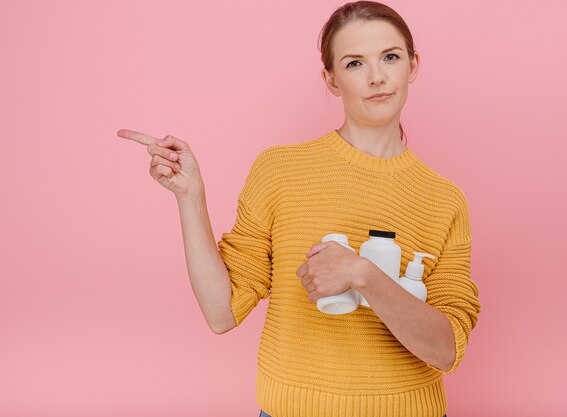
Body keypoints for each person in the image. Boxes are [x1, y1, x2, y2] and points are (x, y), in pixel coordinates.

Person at [117, 1, 480, 416]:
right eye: (355, 63)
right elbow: (221, 312)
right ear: (331, 79)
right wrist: (190, 196)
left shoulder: (444, 198)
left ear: (413, 66)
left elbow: (446, 350)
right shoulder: (280, 170)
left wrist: (364, 275)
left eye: (390, 57)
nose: (377, 77)